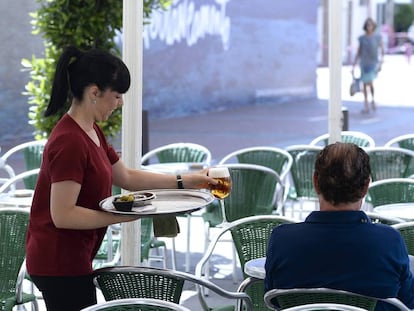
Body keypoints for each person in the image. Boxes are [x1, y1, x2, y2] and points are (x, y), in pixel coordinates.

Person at [25, 46, 217, 311]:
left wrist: (187, 180)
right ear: (94, 92)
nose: (121, 103)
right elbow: (63, 214)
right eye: (117, 96)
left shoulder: (91, 131)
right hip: (58, 261)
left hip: (73, 256)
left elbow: (126, 176)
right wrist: (120, 217)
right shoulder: (69, 141)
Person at [264, 142, 414, 311]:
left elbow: (274, 299)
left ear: (315, 182)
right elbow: (408, 302)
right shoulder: (389, 241)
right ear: (366, 186)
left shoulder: (282, 240)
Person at [352, 17, 384, 114]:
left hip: (373, 63)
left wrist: (381, 62)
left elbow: (382, 50)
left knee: (370, 82)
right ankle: (366, 104)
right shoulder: (362, 38)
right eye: (367, 25)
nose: (369, 27)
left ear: (373, 26)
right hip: (364, 63)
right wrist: (353, 65)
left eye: (370, 25)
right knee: (364, 84)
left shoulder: (377, 37)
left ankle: (373, 100)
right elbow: (359, 51)